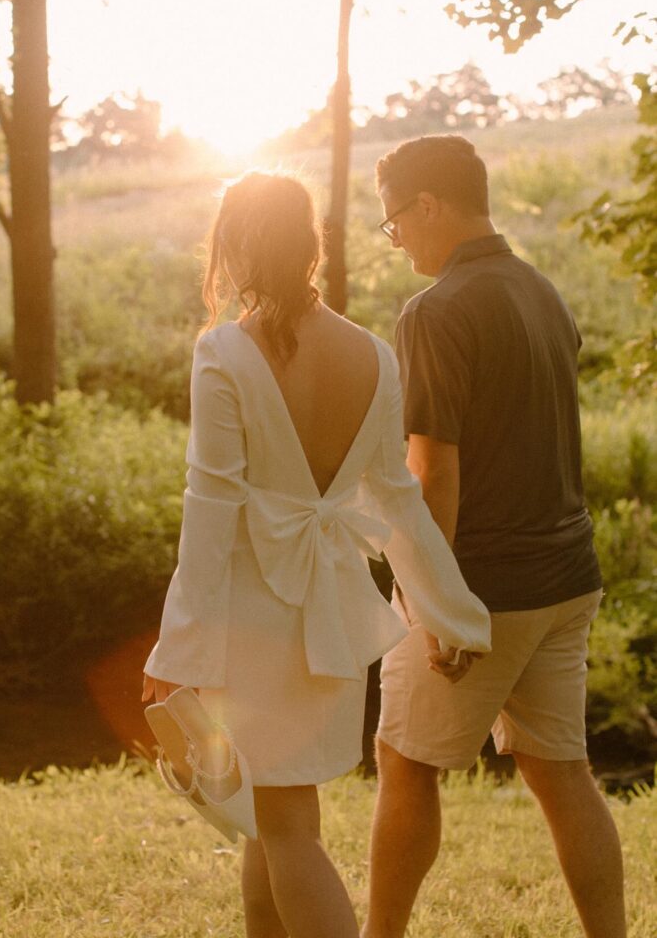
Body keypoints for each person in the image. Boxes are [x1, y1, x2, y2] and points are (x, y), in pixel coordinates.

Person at [142, 171, 491, 938]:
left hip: (253, 623)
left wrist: (179, 647)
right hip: (329, 614)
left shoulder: (225, 353)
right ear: (311, 244)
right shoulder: (373, 354)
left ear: (234, 245)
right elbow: (399, 500)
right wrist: (448, 614)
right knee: (268, 823)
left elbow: (210, 509)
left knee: (287, 826)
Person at [364, 135, 626, 938]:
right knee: (563, 773)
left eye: (394, 221)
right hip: (566, 579)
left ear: (429, 206)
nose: (396, 237)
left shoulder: (435, 310)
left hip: (485, 586)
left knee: (405, 762)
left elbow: (433, 470)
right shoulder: (540, 290)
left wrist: (431, 601)